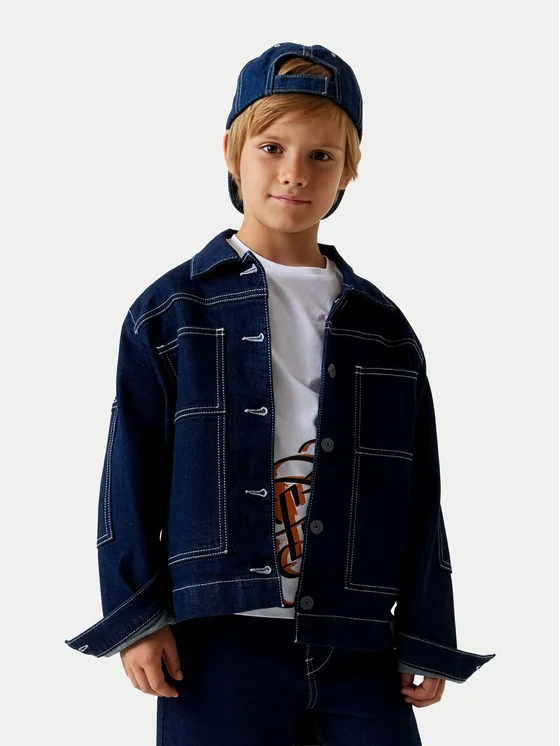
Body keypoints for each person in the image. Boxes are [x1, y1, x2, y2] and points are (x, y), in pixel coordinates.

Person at [65, 42, 496, 745]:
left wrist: (426, 630)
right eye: (272, 148)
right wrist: (138, 618)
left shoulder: (383, 329)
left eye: (322, 156)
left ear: (348, 171)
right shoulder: (172, 313)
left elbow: (419, 489)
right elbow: (129, 474)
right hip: (218, 640)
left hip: (359, 638)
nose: (295, 173)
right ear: (231, 153)